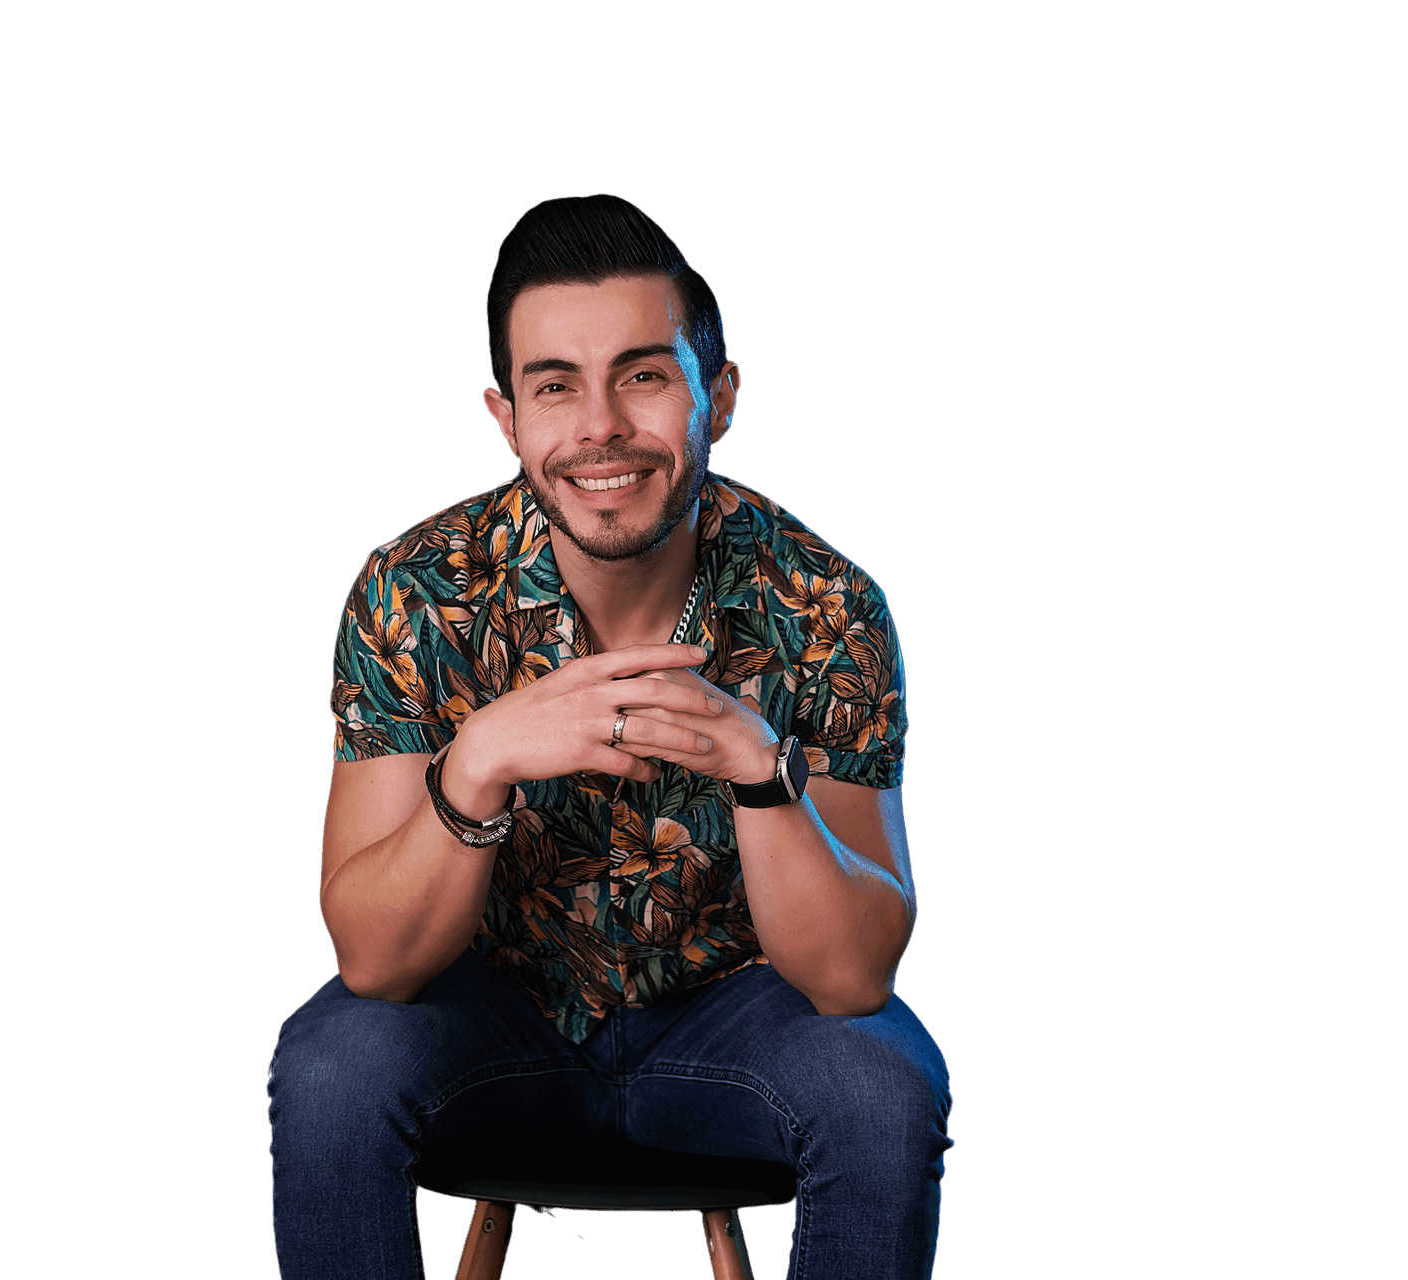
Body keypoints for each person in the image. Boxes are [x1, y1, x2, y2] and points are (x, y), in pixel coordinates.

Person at [267, 193, 952, 1278]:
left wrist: (761, 775)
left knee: (884, 1079)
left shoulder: (827, 602)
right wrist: (478, 762)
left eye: (643, 375)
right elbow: (374, 958)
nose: (599, 429)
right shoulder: (416, 591)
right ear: (507, 417)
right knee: (331, 1064)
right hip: (497, 1026)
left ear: (716, 397)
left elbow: (852, 977)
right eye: (555, 386)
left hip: (736, 1024)